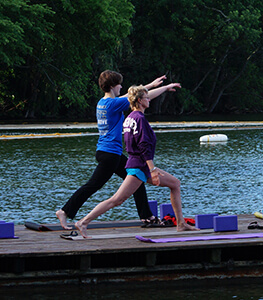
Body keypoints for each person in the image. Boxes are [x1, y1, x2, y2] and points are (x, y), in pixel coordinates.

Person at [56, 71, 179, 230]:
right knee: (93, 186)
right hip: (110, 155)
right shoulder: (114, 104)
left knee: (136, 177)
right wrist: (163, 87)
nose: (122, 86)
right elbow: (138, 97)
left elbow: (135, 95)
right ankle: (65, 211)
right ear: (113, 86)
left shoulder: (102, 103)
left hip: (105, 151)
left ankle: (147, 216)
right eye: (120, 84)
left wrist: (151, 85)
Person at [75, 86, 199, 238]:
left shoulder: (130, 118)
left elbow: (130, 144)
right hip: (140, 167)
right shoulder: (139, 119)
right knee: (116, 200)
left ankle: (181, 224)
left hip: (140, 165)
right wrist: (152, 169)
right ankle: (83, 222)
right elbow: (143, 146)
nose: (149, 100)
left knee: (175, 184)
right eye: (147, 98)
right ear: (140, 101)